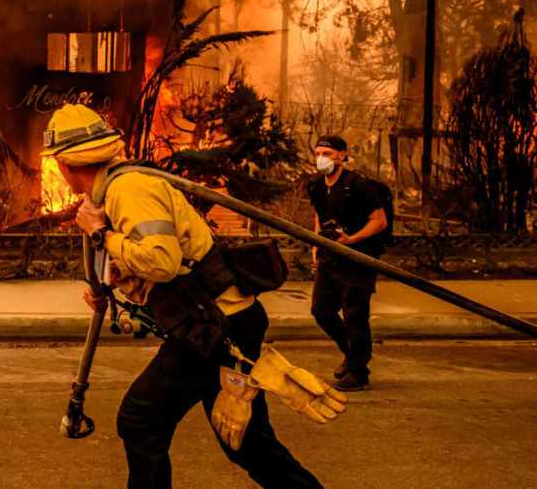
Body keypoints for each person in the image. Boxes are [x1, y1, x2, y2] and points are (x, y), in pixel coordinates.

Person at [42, 104, 324, 489]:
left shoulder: (129, 190)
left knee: (140, 419)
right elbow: (145, 258)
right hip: (221, 321)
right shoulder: (111, 192)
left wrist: (99, 234)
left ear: (64, 163)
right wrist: (109, 286)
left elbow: (162, 261)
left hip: (214, 327)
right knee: (245, 443)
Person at [307, 135, 388, 391]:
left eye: (327, 154)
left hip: (358, 258)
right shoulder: (317, 184)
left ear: (342, 155)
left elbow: (379, 221)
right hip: (329, 257)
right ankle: (352, 355)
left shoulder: (358, 185)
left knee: (355, 316)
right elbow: (320, 216)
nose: (321, 159)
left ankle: (358, 372)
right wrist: (316, 243)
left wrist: (351, 240)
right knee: (322, 311)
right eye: (318, 153)